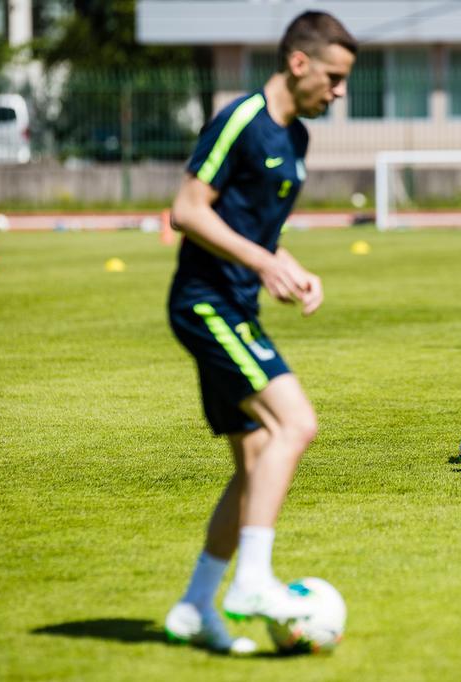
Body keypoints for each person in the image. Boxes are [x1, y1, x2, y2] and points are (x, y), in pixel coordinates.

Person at [162, 11, 356, 654]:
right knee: (296, 425)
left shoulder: (296, 140)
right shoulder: (240, 121)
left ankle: (195, 607)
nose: (339, 92)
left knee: (252, 467)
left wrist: (290, 266)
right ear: (299, 63)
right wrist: (265, 262)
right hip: (205, 302)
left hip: (236, 304)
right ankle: (249, 583)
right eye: (334, 77)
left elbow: (259, 233)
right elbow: (188, 210)